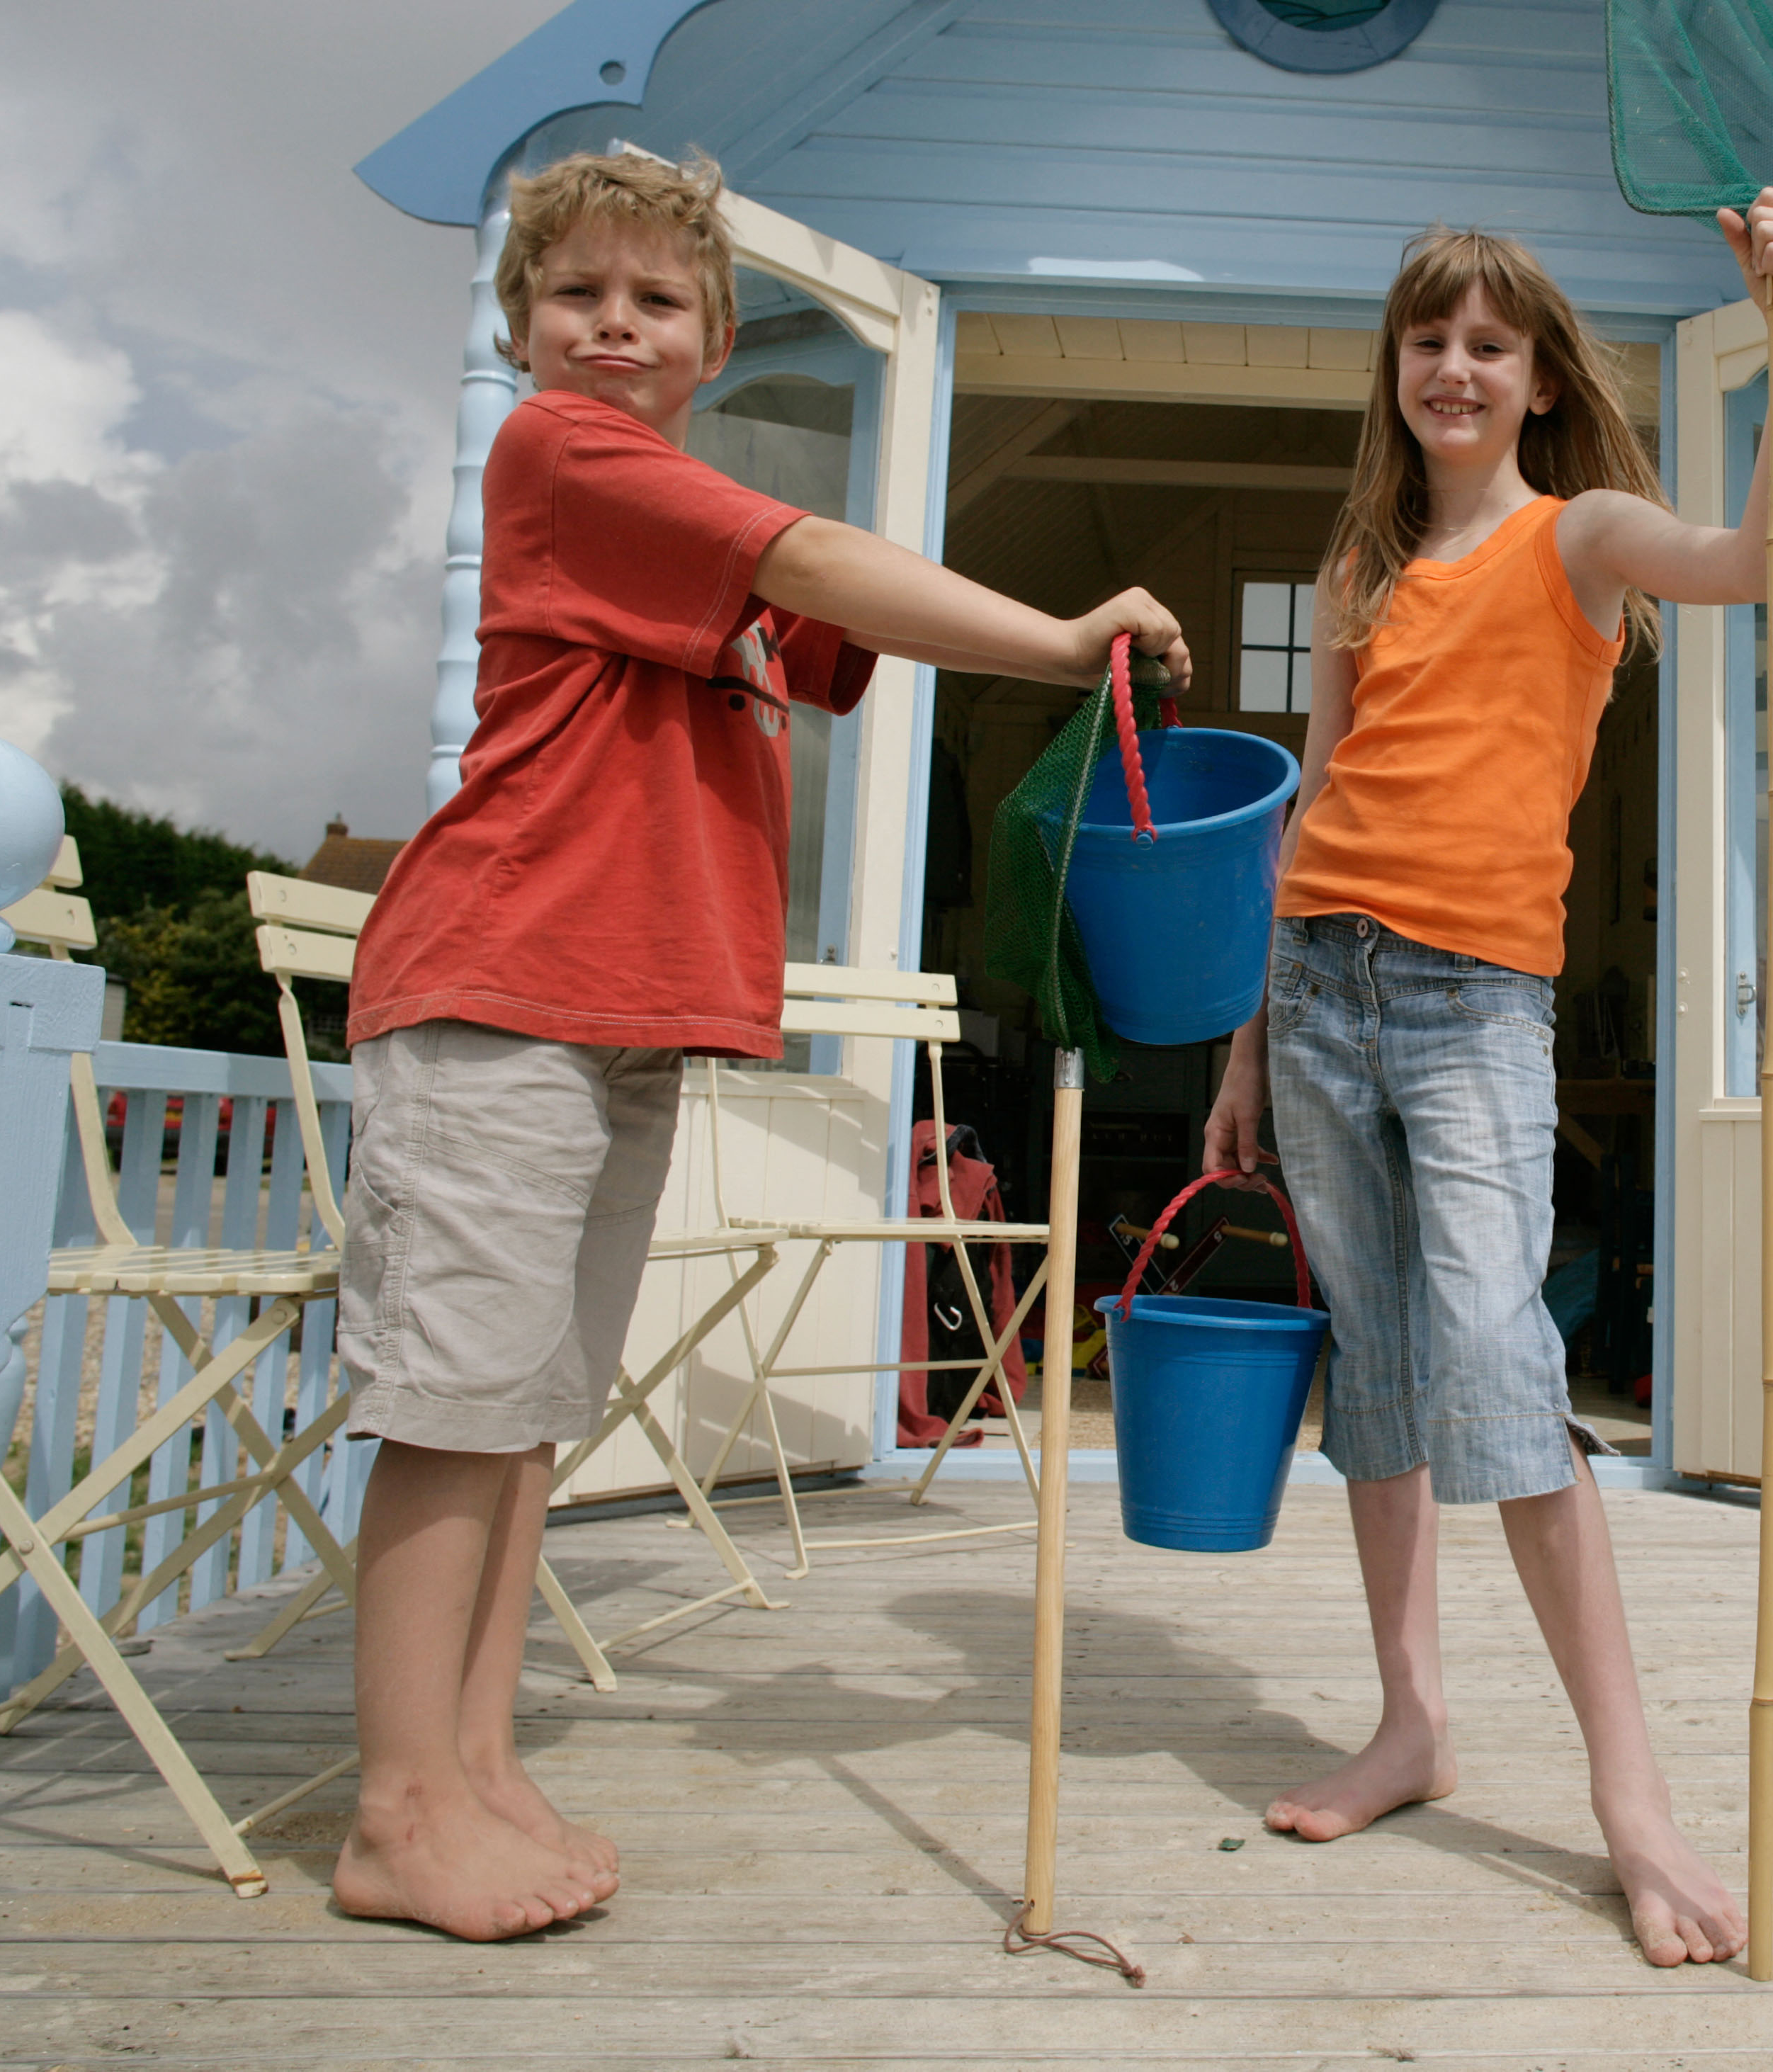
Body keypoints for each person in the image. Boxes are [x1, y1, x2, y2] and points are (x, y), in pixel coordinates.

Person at [330, 149, 1188, 1942]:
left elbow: (828, 616)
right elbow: (817, 557)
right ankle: (399, 1808)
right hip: (497, 993)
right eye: (579, 296)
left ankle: (477, 1760)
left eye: (655, 303)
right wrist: (1056, 633)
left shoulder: (665, 517)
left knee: (525, 1420)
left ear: (710, 341)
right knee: (453, 1406)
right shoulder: (563, 455)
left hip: (614, 1016)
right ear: (526, 326)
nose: (614, 326)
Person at [1199, 192, 1773, 1969]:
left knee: (1499, 1358)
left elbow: (1761, 561)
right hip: (1318, 988)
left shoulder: (1582, 536)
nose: (1455, 368)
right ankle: (1412, 1723)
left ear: (1538, 380)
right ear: (1393, 373)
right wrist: (1246, 1039)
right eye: (1428, 342)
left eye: (1488, 344)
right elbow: (1309, 809)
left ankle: (1634, 1805)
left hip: (1475, 1006)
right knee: (1383, 1374)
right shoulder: (1357, 573)